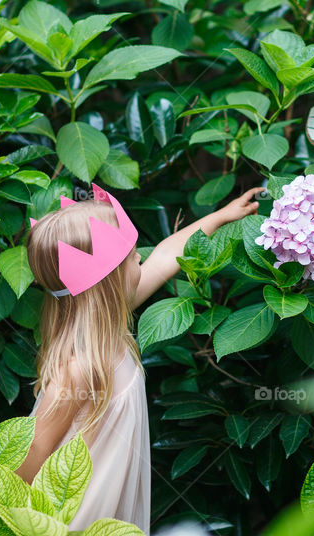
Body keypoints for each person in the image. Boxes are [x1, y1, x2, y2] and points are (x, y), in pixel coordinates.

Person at [15, 183, 262, 533]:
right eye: (131, 255)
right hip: (77, 522)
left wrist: (220, 217)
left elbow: (164, 255)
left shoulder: (109, 325)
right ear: (110, 281)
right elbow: (32, 451)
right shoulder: (80, 366)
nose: (140, 257)